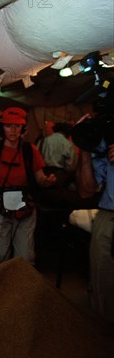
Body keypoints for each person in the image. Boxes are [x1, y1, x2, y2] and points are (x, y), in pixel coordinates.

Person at [0, 107, 56, 265]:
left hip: (24, 208)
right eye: (8, 126)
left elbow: (40, 178)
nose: (13, 130)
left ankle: (20, 288)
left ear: (24, 128)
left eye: (17, 126)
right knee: (0, 258)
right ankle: (2, 288)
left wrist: (47, 181)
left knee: (25, 258)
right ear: (2, 128)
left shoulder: (30, 150)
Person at [75, 113, 114, 324]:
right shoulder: (107, 141)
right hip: (108, 218)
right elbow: (86, 191)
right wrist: (85, 149)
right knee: (102, 286)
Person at [38, 121, 77, 188]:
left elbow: (35, 159)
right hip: (60, 177)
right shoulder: (68, 144)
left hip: (42, 175)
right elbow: (70, 167)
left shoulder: (42, 141)